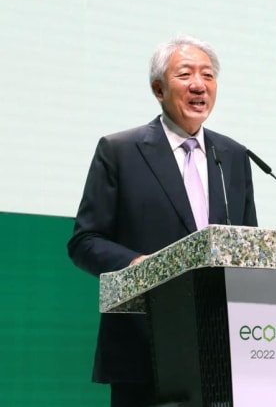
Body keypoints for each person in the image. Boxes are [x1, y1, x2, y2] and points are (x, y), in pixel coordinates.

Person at [67, 35, 258, 407]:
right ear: (158, 88)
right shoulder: (119, 151)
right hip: (144, 347)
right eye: (184, 74)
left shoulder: (233, 156)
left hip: (220, 350)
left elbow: (246, 245)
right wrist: (139, 267)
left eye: (208, 75)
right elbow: (85, 240)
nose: (198, 85)